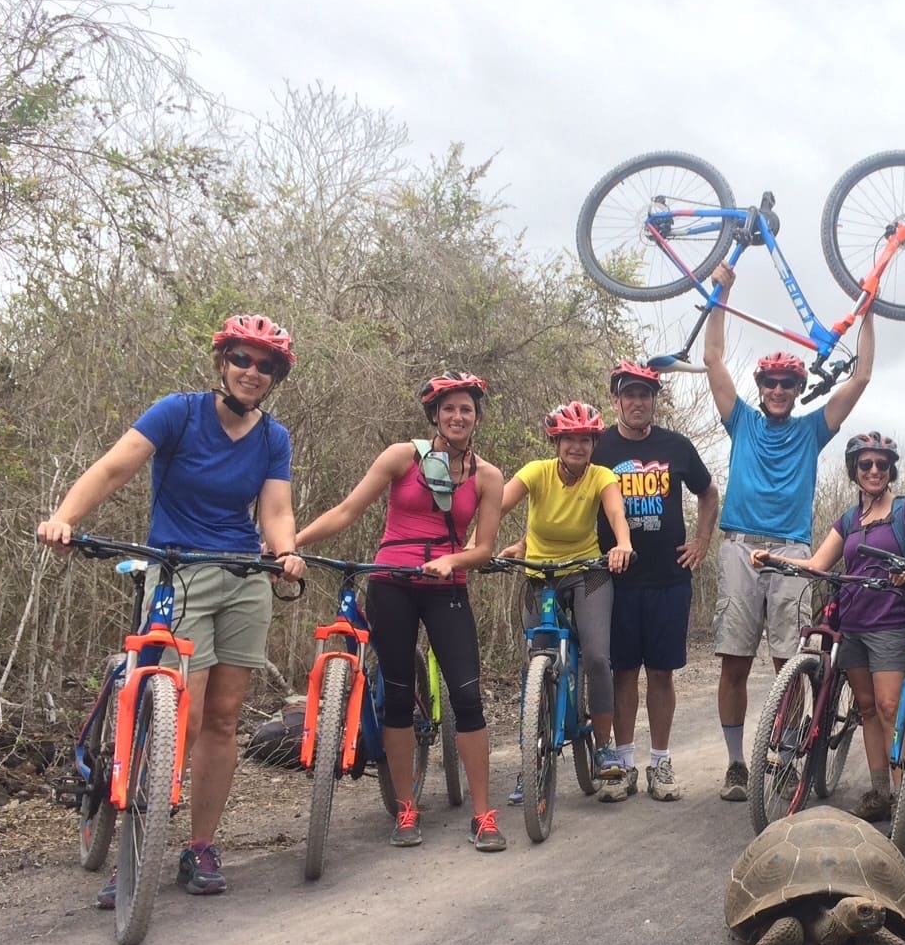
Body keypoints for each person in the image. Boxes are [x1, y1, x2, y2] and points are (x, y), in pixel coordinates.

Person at [37, 314, 307, 905]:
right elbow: (115, 467)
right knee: (180, 715)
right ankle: (135, 848)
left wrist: (285, 551)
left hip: (244, 577)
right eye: (241, 359)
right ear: (222, 363)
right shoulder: (177, 412)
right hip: (178, 571)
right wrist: (65, 519)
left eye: (265, 365)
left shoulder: (273, 438)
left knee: (224, 717)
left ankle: (200, 846)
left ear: (275, 376)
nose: (251, 372)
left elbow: (275, 511)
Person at [294, 372, 507, 851]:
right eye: (449, 409)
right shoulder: (401, 457)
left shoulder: (488, 476)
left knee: (467, 696)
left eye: (466, 409)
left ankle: (482, 814)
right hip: (391, 583)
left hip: (446, 586)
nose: (457, 417)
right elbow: (347, 510)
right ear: (435, 415)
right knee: (396, 694)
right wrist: (293, 542)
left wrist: (452, 561)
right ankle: (406, 808)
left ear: (477, 418)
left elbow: (484, 549)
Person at [705, 260, 877, 803]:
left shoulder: (811, 430)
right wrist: (720, 294)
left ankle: (782, 753)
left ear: (799, 388)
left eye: (788, 383)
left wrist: (868, 315)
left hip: (793, 553)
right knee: (734, 663)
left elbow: (860, 378)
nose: (778, 389)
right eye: (771, 382)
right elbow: (712, 358)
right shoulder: (741, 421)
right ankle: (737, 764)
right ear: (760, 387)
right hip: (739, 546)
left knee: (791, 664)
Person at [752, 432, 905, 821]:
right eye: (866, 464)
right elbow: (818, 564)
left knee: (889, 707)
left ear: (891, 470)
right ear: (854, 470)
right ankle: (879, 792)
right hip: (852, 624)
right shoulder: (850, 519)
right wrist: (776, 560)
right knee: (866, 708)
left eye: (882, 464)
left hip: (891, 622)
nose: (874, 470)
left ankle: (902, 801)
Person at [592, 360, 719, 802]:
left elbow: (708, 492)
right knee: (623, 672)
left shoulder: (677, 446)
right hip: (616, 580)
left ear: (653, 401)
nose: (637, 402)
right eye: (629, 394)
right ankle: (624, 765)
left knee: (661, 672)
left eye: (644, 395)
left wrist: (702, 541)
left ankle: (660, 763)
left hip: (669, 578)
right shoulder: (599, 446)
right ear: (615, 400)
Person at [498, 401, 633, 789]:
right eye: (569, 439)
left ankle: (603, 748)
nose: (577, 446)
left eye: (585, 440)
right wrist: (478, 545)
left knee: (597, 657)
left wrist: (622, 543)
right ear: (555, 442)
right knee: (535, 664)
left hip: (586, 573)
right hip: (539, 575)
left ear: (594, 444)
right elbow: (497, 505)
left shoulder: (601, 476)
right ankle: (532, 758)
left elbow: (616, 514)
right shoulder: (536, 472)